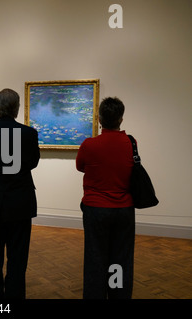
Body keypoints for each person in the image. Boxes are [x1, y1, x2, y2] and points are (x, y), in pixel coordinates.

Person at [0, 88, 40, 299]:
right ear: (17, 108)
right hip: (20, 202)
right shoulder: (29, 133)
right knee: (18, 257)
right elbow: (32, 163)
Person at [76, 97, 135, 299]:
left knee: (95, 257)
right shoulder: (131, 143)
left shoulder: (89, 145)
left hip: (95, 209)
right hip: (124, 210)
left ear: (99, 118)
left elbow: (80, 166)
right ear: (121, 119)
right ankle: (117, 295)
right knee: (120, 259)